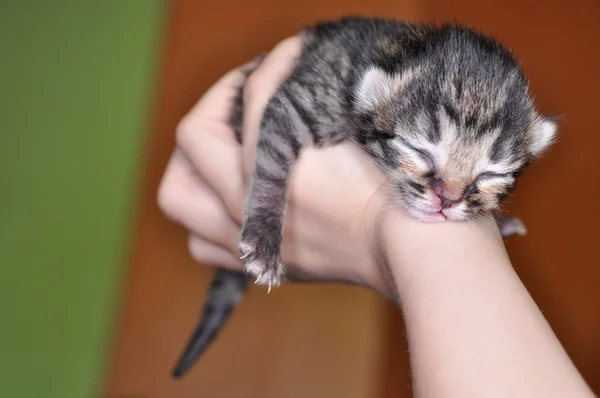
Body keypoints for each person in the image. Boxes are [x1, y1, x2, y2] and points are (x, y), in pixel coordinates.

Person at [157, 36, 595, 397]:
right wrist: (265, 218)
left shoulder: (426, 143)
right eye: (424, 154)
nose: (450, 194)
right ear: (376, 102)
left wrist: (385, 226)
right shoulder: (358, 83)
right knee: (229, 272)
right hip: (249, 147)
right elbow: (282, 116)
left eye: (491, 174)